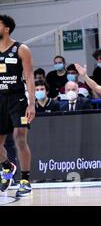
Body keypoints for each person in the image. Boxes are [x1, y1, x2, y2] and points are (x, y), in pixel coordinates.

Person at [0, 15, 36, 197]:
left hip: (17, 99)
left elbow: (29, 78)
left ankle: (25, 179)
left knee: (20, 137)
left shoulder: (21, 49)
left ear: (6, 28)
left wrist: (32, 104)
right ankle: (7, 166)